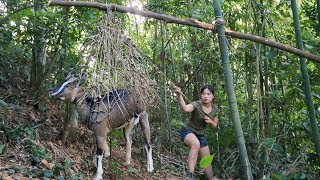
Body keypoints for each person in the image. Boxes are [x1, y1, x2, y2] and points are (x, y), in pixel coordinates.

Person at [174, 85, 219, 180]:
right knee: (195, 144)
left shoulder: (215, 109)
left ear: (213, 96)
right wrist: (179, 95)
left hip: (200, 134)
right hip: (188, 130)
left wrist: (210, 122)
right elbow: (185, 109)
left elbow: (214, 125)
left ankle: (211, 178)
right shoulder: (196, 104)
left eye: (208, 94)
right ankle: (190, 175)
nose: (205, 96)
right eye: (203, 94)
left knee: (207, 161)